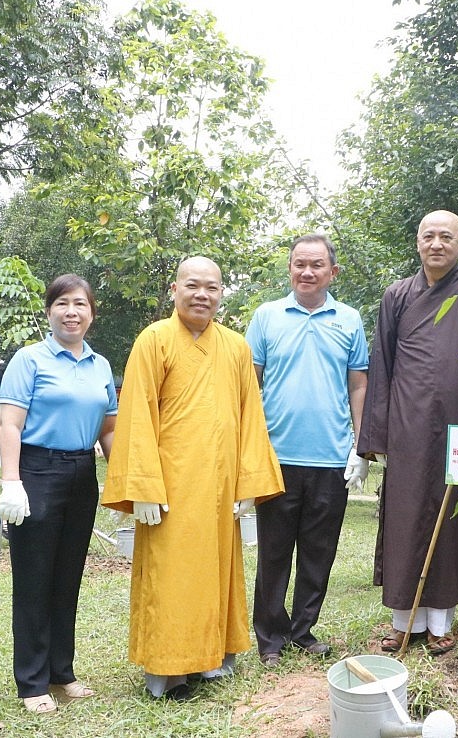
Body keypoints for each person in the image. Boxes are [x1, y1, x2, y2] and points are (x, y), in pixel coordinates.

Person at [100, 256, 284, 701]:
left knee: (217, 571)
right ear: (175, 289)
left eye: (212, 288)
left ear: (222, 294)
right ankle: (168, 673)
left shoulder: (237, 346)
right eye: (193, 286)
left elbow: (249, 417)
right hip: (171, 487)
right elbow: (137, 413)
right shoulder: (155, 339)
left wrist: (247, 484)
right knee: (172, 576)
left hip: (220, 488)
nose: (202, 294)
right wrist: (142, 486)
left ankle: (213, 660)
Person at [358, 209, 458, 656]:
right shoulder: (396, 296)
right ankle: (404, 622)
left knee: (454, 522)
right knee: (405, 519)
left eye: (446, 236)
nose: (436, 244)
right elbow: (381, 365)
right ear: (418, 243)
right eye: (428, 236)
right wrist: (373, 439)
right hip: (409, 426)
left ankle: (441, 623)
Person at [245, 234, 370, 667]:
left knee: (320, 551)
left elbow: (358, 383)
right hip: (276, 457)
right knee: (274, 552)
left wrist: (361, 445)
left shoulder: (349, 319)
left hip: (333, 458)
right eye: (300, 263)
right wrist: (248, 448)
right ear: (290, 268)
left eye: (317, 265)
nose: (307, 272)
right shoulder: (266, 317)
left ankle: (303, 630)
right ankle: (270, 638)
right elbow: (249, 384)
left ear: (332, 272)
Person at [0, 275, 118, 713]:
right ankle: (31, 682)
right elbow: (10, 423)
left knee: (68, 578)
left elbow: (108, 429)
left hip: (80, 472)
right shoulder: (30, 359)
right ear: (49, 311)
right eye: (63, 303)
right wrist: (11, 480)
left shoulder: (100, 365)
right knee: (34, 580)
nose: (72, 311)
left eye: (80, 304)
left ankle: (60, 672)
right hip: (37, 469)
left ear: (91, 313)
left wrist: (123, 480)